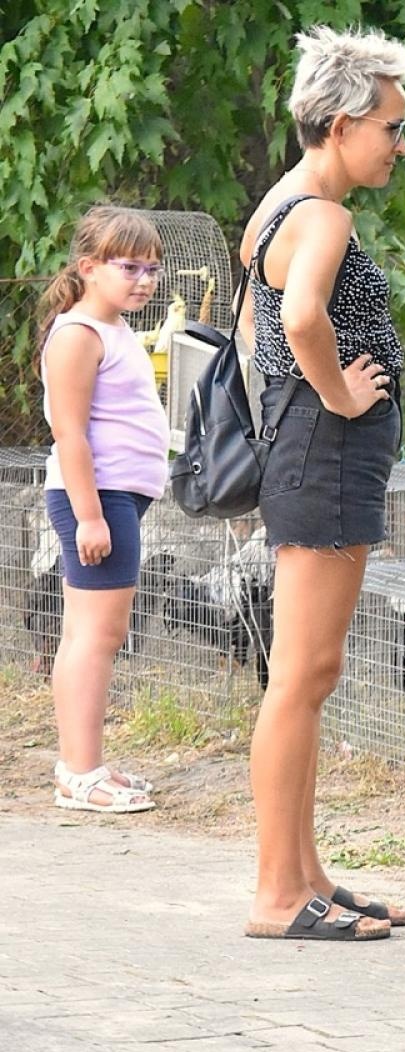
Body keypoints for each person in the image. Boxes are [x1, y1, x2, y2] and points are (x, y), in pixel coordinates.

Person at [240, 25, 405, 942]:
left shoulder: (281, 201)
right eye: (391, 125)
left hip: (312, 449)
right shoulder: (324, 215)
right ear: (343, 124)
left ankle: (305, 874)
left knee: (311, 672)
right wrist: (340, 391)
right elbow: (301, 314)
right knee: (298, 677)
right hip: (322, 449)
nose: (400, 143)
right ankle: (275, 896)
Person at [38, 206, 168, 815]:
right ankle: (82, 775)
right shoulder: (77, 335)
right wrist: (90, 516)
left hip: (116, 497)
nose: (143, 280)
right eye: (129, 267)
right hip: (96, 498)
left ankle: (81, 766)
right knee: (97, 635)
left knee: (89, 633)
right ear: (89, 267)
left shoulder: (113, 330)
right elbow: (71, 436)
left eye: (151, 269)